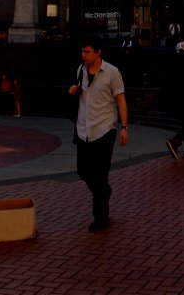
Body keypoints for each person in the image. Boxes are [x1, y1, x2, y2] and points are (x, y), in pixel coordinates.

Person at [67, 35, 129, 232]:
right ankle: (105, 192)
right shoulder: (80, 70)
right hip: (83, 128)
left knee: (100, 174)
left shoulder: (112, 72)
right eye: (82, 52)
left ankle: (100, 217)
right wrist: (74, 90)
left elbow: (120, 100)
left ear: (98, 52)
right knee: (83, 171)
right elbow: (83, 94)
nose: (83, 55)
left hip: (104, 128)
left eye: (87, 52)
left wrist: (124, 128)